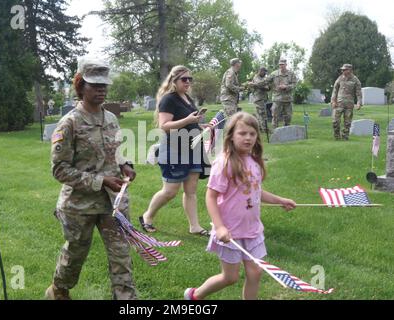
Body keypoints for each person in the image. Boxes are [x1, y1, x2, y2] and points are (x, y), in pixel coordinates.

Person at [46, 56, 138, 300]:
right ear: (80, 86)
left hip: (113, 204)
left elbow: (118, 152)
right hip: (80, 206)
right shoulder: (69, 123)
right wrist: (100, 181)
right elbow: (59, 169)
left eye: (104, 85)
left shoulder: (111, 118)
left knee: (122, 258)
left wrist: (126, 166)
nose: (101, 90)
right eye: (94, 85)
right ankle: (58, 291)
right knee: (75, 255)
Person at [184, 112, 296, 300]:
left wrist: (280, 200)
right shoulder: (224, 163)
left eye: (252, 134)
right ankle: (195, 295)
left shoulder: (254, 162)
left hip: (252, 230)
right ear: (231, 136)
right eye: (242, 133)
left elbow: (256, 191)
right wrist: (219, 227)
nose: (248, 138)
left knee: (256, 273)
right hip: (231, 232)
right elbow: (211, 196)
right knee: (230, 277)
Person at [139, 65, 211, 237]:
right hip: (174, 150)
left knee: (191, 191)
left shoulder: (187, 98)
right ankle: (147, 216)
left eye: (190, 79)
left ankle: (194, 226)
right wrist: (188, 120)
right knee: (170, 191)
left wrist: (199, 124)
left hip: (192, 147)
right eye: (184, 79)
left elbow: (187, 122)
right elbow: (165, 126)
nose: (188, 82)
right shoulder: (168, 99)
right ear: (174, 80)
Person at [331, 64, 362, 140]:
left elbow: (358, 93)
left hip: (349, 105)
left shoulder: (355, 80)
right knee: (335, 121)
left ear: (350, 70)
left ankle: (345, 137)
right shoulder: (339, 79)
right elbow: (335, 91)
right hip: (339, 103)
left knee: (347, 123)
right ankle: (337, 137)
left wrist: (359, 103)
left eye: (344, 70)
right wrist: (333, 101)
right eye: (342, 70)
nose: (343, 71)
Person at [263, 59, 297, 128]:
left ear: (286, 65)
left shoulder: (291, 74)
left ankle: (286, 130)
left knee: (288, 116)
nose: (281, 66)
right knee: (275, 116)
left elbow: (294, 84)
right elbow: (265, 81)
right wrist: (256, 83)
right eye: (280, 64)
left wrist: (286, 87)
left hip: (288, 99)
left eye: (282, 64)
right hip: (277, 98)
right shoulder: (274, 74)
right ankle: (275, 131)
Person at [247, 67, 271, 133]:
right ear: (260, 71)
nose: (265, 73)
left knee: (259, 113)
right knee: (262, 113)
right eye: (264, 72)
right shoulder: (256, 77)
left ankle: (259, 128)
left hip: (263, 98)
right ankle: (265, 129)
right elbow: (259, 84)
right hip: (258, 98)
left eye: (266, 72)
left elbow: (268, 87)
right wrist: (264, 85)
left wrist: (265, 86)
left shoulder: (263, 78)